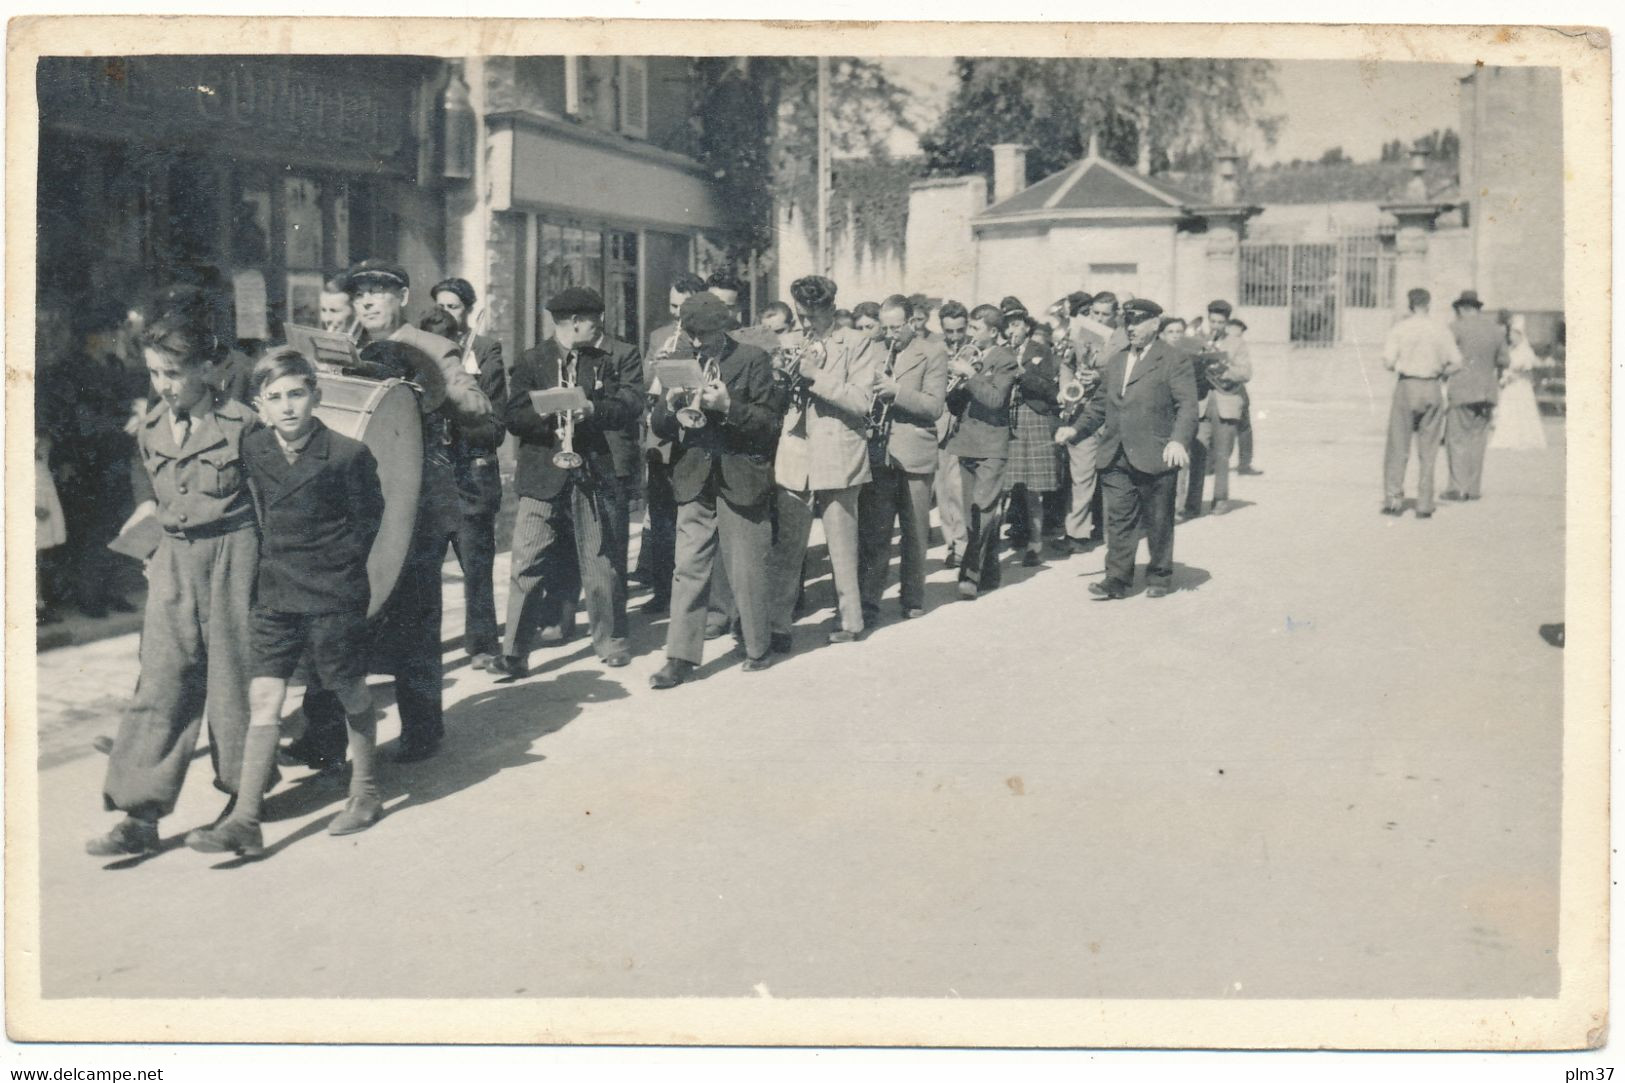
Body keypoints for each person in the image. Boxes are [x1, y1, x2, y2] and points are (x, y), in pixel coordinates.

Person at [291, 257, 494, 768]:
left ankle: (423, 728)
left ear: (402, 297)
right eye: (361, 293)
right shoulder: (340, 349)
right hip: (349, 502)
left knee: (415, 618)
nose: (369, 300)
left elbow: (477, 408)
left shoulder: (433, 348)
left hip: (414, 500)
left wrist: (435, 386)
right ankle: (323, 736)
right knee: (335, 619)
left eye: (381, 291)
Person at [187, 351, 387, 856]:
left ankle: (365, 792)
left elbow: (369, 521)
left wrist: (337, 571)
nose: (288, 407)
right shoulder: (254, 450)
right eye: (274, 398)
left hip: (333, 592)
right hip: (275, 593)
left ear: (316, 395)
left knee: (347, 687)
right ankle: (245, 821)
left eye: (296, 394)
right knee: (264, 701)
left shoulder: (347, 454)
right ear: (260, 406)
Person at [87, 302, 264, 857]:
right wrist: (146, 531)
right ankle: (138, 813)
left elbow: (267, 506)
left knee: (234, 683)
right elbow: (151, 485)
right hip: (173, 563)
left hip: (235, 559)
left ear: (207, 370)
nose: (163, 386)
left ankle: (243, 802)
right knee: (162, 680)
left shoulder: (245, 425)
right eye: (154, 374)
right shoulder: (150, 428)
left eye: (174, 373)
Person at [492, 287, 641, 677]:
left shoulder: (605, 359)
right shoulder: (531, 360)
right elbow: (513, 416)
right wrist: (551, 408)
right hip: (543, 474)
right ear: (574, 323)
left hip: (592, 471)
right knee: (526, 561)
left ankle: (610, 641)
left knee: (601, 560)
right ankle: (514, 652)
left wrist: (591, 409)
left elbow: (628, 406)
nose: (599, 328)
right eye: (594, 322)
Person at [648, 293, 783, 688]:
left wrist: (727, 407)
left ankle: (757, 645)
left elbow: (769, 424)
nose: (701, 343)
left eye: (707, 335)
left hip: (741, 474)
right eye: (693, 335)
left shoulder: (752, 359)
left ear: (723, 328)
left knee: (746, 568)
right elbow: (659, 425)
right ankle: (679, 656)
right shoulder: (677, 361)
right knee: (687, 568)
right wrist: (670, 407)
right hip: (694, 476)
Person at [765, 275, 880, 646]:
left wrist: (816, 377)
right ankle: (777, 625)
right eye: (800, 316)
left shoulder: (858, 344)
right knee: (787, 548)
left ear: (830, 309)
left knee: (841, 547)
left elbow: (863, 402)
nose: (805, 325)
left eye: (812, 317)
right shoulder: (791, 342)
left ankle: (851, 620)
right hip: (796, 452)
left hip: (838, 452)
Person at [1065, 298, 1197, 600]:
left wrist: (1178, 440)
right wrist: (1075, 429)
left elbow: (1187, 405)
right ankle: (1116, 579)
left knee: (1159, 519)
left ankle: (1159, 575)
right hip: (1116, 452)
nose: (1132, 328)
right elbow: (1100, 404)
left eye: (1138, 322)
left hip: (1156, 452)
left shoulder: (1174, 359)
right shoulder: (1117, 360)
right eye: (1128, 322)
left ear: (1155, 324)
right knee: (1118, 519)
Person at [421, 298, 508, 668]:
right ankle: (421, 650)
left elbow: (496, 427)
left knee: (476, 566)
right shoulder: (412, 382)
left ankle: (483, 645)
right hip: (428, 487)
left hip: (469, 481)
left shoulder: (473, 380)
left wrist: (457, 411)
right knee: (423, 576)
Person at [857, 294, 947, 624]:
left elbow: (934, 406)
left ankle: (912, 596)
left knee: (915, 532)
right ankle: (868, 600)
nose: (892, 334)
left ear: (912, 321)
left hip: (915, 452)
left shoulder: (933, 352)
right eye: (887, 327)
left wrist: (897, 393)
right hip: (879, 451)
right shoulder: (874, 349)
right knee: (875, 532)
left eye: (897, 327)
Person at [635, 272, 709, 616]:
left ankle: (697, 594)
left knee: (694, 522)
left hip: (694, 438)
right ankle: (663, 591)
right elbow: (645, 383)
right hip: (662, 438)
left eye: (683, 307)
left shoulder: (709, 338)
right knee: (662, 520)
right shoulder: (660, 336)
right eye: (672, 306)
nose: (676, 314)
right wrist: (656, 366)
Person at [943, 303, 1020, 600]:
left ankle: (970, 574)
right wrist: (956, 384)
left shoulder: (1006, 360)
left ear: (994, 331)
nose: (970, 335)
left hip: (991, 444)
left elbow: (995, 399)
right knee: (970, 512)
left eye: (976, 329)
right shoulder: (969, 356)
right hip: (966, 442)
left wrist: (969, 375)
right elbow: (954, 405)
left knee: (983, 510)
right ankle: (990, 571)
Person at [1380, 287, 1462, 519]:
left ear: (1409, 304)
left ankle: (1394, 500)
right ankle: (1425, 504)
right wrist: (1440, 373)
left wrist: (1402, 364)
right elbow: (1457, 362)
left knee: (1398, 445)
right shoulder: (1441, 330)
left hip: (1407, 386)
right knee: (1429, 448)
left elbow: (1387, 362)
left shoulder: (1400, 329)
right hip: (1432, 386)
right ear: (1429, 304)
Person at [1002, 309, 1062, 566]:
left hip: (1034, 417)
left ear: (1027, 326)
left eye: (1016, 325)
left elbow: (1050, 388)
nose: (1011, 331)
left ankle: (1035, 544)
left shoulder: (1041, 350)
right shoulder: (1000, 349)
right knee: (1004, 486)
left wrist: (1021, 373)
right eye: (1007, 327)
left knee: (1033, 489)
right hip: (1007, 418)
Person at [1442, 289, 1511, 501]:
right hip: (1487, 391)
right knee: (1478, 439)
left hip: (1462, 390)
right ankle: (1473, 488)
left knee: (1456, 439)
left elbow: (1446, 358)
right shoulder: (1496, 330)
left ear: (1462, 309)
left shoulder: (1454, 328)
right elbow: (1504, 361)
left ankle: (1457, 487)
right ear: (1477, 308)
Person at [1199, 311, 1254, 516]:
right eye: (1212, 321)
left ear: (1227, 323)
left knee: (1222, 455)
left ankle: (1220, 499)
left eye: (1220, 322)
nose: (1216, 326)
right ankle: (1192, 501)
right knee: (1198, 452)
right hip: (1203, 402)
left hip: (1226, 402)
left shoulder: (1237, 343)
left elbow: (1246, 372)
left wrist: (1224, 369)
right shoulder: (1200, 340)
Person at [932, 301, 973, 567]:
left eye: (960, 330)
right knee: (943, 490)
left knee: (960, 491)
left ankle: (962, 544)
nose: (955, 337)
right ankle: (951, 543)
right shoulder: (935, 349)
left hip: (965, 424)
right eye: (950, 331)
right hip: (939, 425)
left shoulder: (973, 350)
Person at [1489, 315, 1547, 450]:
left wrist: (1513, 376)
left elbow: (1527, 370)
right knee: (1508, 410)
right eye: (1510, 335)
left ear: (1520, 335)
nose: (1511, 338)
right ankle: (1507, 437)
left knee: (1521, 410)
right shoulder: (1511, 350)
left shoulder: (1526, 351)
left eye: (1513, 335)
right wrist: (1505, 377)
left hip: (1520, 385)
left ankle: (1523, 438)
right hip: (1510, 386)